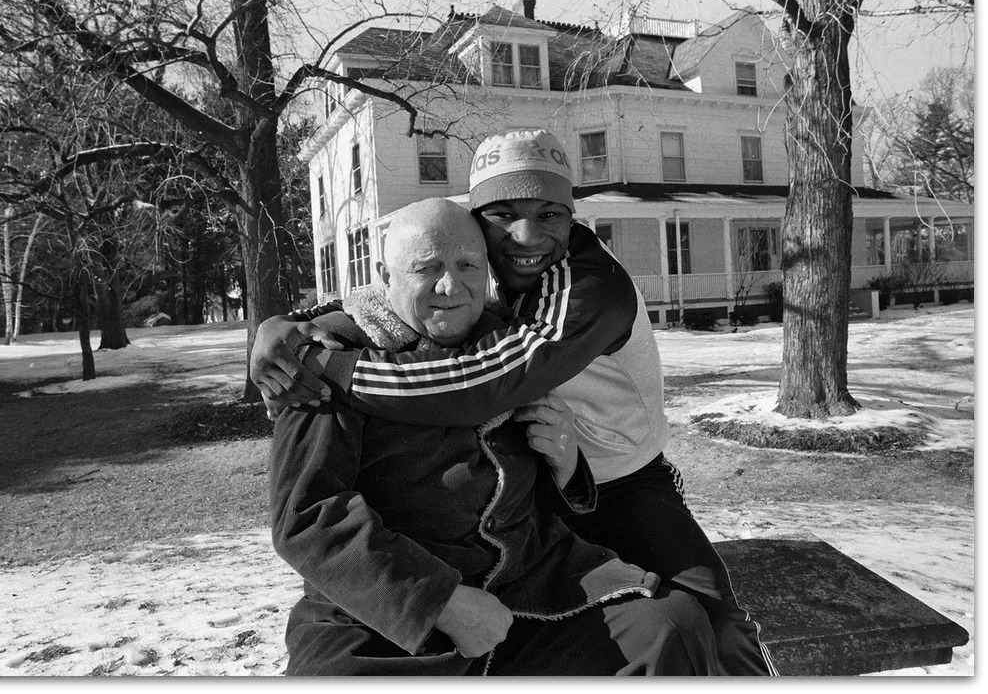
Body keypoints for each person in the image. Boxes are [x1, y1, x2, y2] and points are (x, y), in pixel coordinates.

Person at [254, 129, 776, 676]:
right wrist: (289, 329)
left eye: (550, 213)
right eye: (503, 213)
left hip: (620, 486)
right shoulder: (358, 339)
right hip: (409, 607)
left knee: (706, 622)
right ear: (478, 219)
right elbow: (309, 517)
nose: (527, 235)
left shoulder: (588, 289)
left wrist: (330, 367)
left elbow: (484, 384)